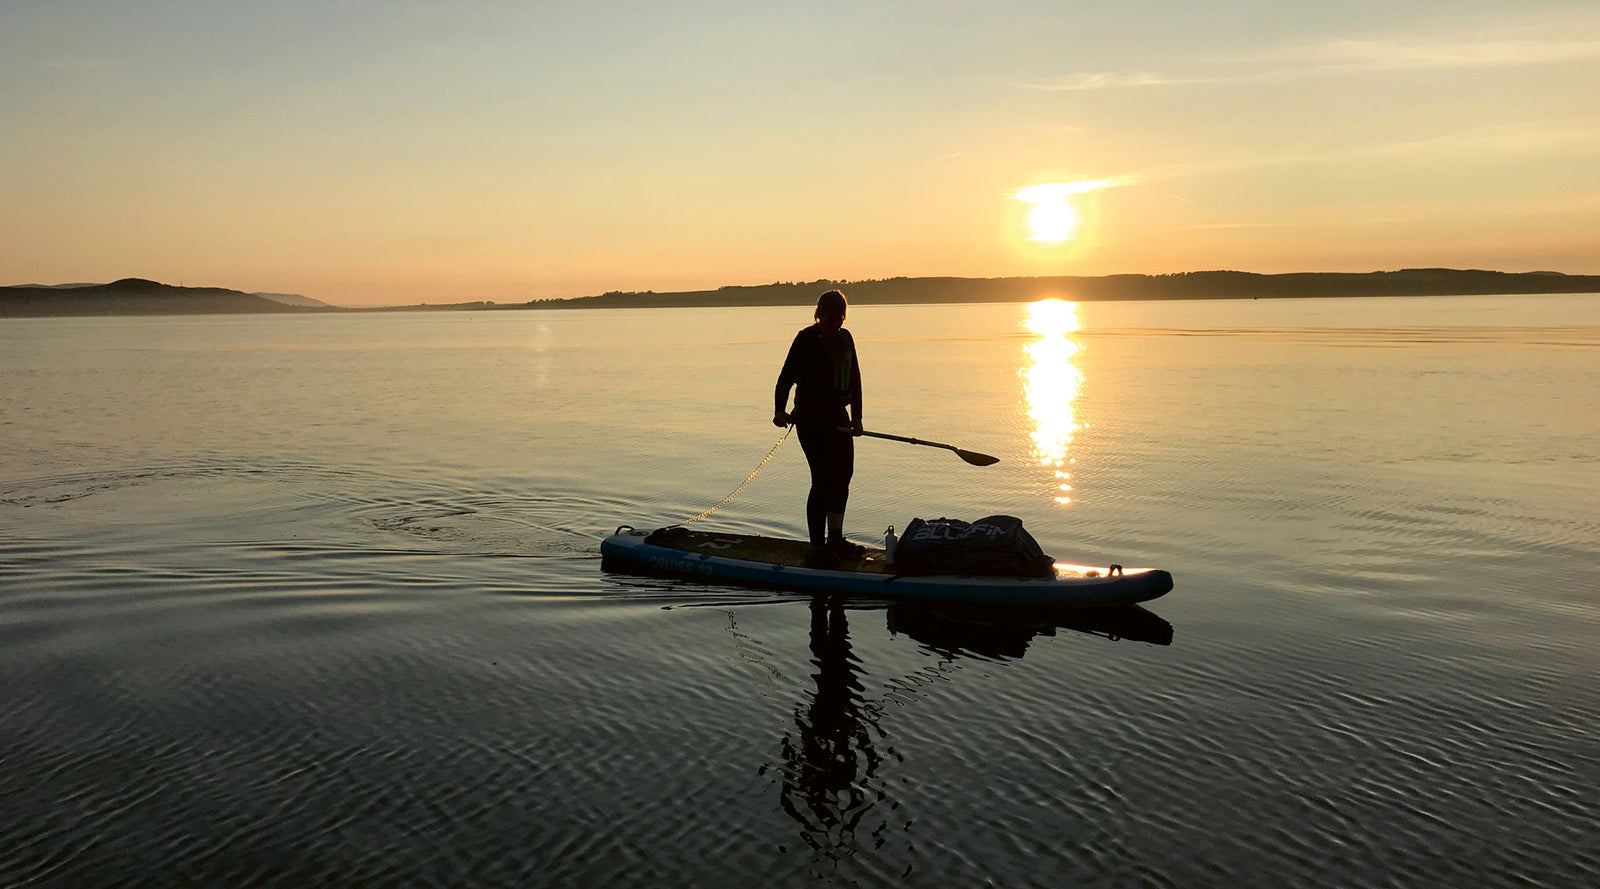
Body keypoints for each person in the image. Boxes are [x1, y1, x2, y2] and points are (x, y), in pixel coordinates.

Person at [774, 290, 864, 553]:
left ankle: (835, 537)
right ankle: (817, 546)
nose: (833, 324)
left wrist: (857, 417)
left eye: (838, 319)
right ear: (819, 315)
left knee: (843, 475)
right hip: (811, 420)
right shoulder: (805, 339)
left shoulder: (846, 338)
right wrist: (779, 410)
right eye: (829, 319)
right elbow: (785, 379)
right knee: (822, 479)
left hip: (838, 416)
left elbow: (855, 379)